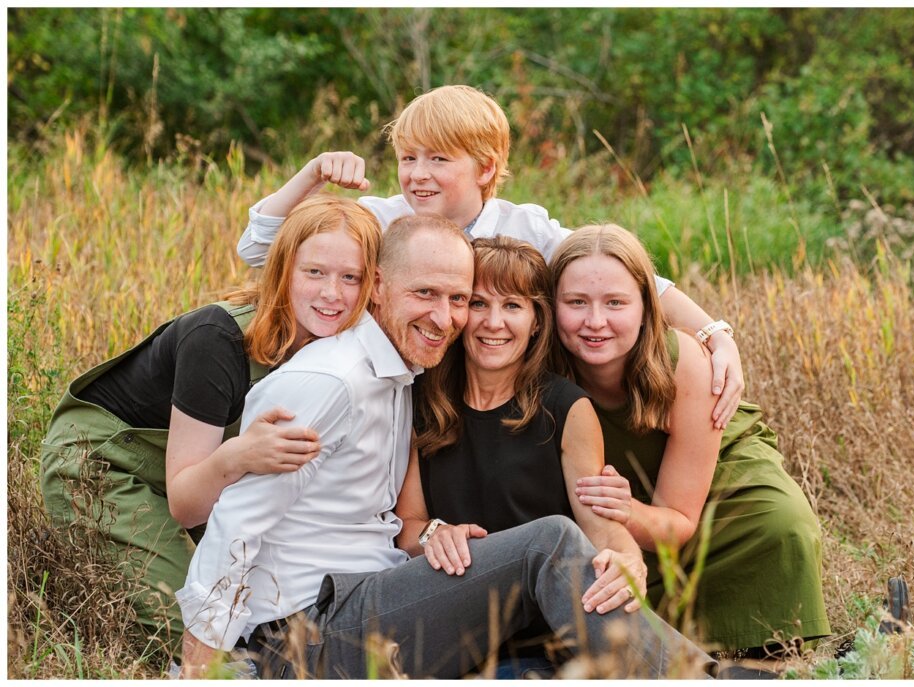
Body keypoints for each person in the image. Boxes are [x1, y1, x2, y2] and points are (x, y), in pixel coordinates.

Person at [176, 215, 715, 680]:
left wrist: (624, 553)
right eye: (426, 294)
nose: (447, 316)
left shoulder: (402, 375)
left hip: (372, 598)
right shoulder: (332, 382)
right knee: (545, 545)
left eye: (457, 298)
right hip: (304, 635)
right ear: (380, 285)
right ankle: (703, 679)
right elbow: (234, 527)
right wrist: (201, 672)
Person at [235, 84, 744, 430]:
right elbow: (260, 250)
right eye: (408, 158)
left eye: (438, 159)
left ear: (485, 167)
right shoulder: (384, 219)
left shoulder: (524, 227)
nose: (417, 174)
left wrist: (714, 333)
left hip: (491, 390)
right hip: (401, 392)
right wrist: (312, 176)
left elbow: (632, 282)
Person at [39, 195, 382, 655]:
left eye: (351, 277)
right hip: (103, 460)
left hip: (199, 464)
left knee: (251, 604)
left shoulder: (343, 352)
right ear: (282, 270)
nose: (332, 293)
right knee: (188, 625)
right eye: (314, 272)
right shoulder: (216, 341)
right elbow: (187, 504)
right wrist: (236, 457)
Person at [549, 224, 831, 656]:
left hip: (709, 471)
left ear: (647, 307)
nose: (595, 321)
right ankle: (665, 647)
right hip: (620, 493)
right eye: (576, 303)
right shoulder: (542, 365)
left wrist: (628, 511)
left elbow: (678, 518)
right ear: (551, 306)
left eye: (616, 303)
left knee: (781, 525)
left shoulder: (681, 362)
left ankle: (767, 652)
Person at [394, 236, 644, 677]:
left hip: (538, 638)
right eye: (477, 304)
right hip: (453, 629)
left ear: (536, 321)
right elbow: (407, 527)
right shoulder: (420, 399)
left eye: (512, 305)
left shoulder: (567, 408)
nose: (493, 323)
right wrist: (434, 533)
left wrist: (630, 559)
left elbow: (603, 530)